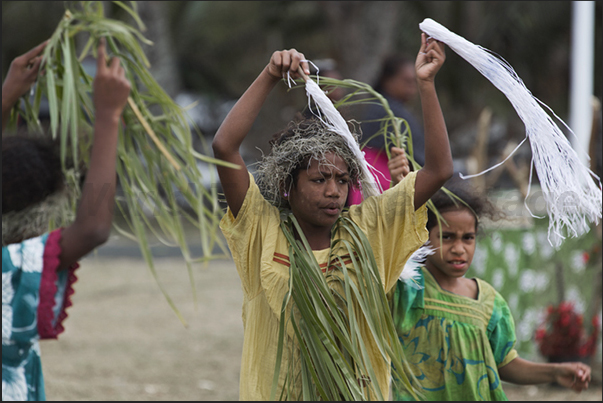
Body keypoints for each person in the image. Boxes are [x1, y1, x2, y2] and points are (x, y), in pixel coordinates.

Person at [212, 32, 452, 400]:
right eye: (319, 179)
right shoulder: (262, 228)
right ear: (289, 185)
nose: (333, 192)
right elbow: (224, 147)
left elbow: (438, 170)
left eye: (342, 180)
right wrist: (270, 75)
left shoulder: (368, 229)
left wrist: (426, 84)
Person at [387, 169, 593, 401]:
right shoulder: (410, 288)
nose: (459, 248)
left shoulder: (489, 302)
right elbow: (391, 243)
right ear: (424, 235)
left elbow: (505, 363)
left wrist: (555, 371)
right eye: (446, 237)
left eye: (468, 238)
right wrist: (401, 192)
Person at [2, 38, 131, 401]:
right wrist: (108, 117)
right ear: (33, 213)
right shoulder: (9, 269)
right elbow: (92, 228)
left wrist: (6, 98)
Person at [348, 54, 426, 206]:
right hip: (381, 184)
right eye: (406, 81)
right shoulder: (387, 111)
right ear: (388, 80)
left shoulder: (389, 108)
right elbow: (417, 158)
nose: (412, 88)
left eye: (413, 82)